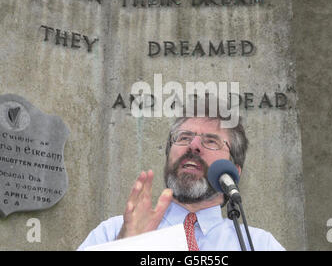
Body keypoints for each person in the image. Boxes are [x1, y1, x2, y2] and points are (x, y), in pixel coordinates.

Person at [78, 97, 284, 251]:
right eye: (184, 137)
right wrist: (124, 247)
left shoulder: (259, 245)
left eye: (211, 141)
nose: (193, 146)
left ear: (233, 172)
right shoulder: (112, 232)